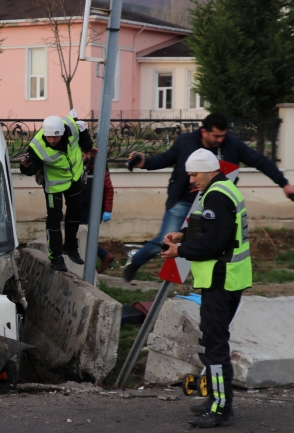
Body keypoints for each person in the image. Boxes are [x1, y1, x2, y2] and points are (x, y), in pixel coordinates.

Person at [123, 112, 294, 282]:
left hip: (213, 204)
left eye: (223, 135)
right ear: (204, 131)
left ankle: (207, 279)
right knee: (165, 240)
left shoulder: (232, 145)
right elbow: (165, 159)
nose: (220, 139)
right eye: (216, 136)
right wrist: (144, 163)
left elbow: (260, 161)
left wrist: (284, 184)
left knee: (210, 242)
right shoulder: (185, 142)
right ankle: (136, 261)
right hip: (182, 202)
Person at [161, 148, 251, 428]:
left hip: (221, 279)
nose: (191, 179)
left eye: (194, 173)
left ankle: (221, 408)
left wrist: (181, 250)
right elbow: (212, 229)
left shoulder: (217, 195)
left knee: (214, 346)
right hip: (226, 278)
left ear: (210, 170)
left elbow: (215, 243)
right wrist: (184, 234)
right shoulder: (223, 188)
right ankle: (215, 399)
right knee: (210, 342)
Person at [20, 112, 96, 272]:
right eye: (49, 137)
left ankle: (70, 246)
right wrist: (26, 166)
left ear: (62, 132)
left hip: (74, 176)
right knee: (55, 217)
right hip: (53, 183)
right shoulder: (37, 145)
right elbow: (31, 167)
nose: (52, 140)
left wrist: (88, 146)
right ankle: (55, 256)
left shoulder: (71, 127)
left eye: (56, 137)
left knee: (75, 211)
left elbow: (82, 129)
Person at [80, 151, 116, 273]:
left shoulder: (99, 168)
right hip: (82, 207)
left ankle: (103, 257)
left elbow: (109, 190)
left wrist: (107, 210)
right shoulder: (83, 167)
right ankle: (103, 256)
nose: (80, 157)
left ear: (89, 154)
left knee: (86, 238)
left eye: (82, 155)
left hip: (94, 209)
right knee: (82, 237)